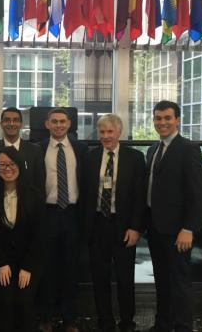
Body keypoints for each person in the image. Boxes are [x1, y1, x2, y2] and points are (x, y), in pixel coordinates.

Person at [146, 100, 202, 332]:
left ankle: (182, 326)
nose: (162, 122)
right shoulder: (153, 149)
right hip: (155, 226)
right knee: (161, 280)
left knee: (179, 281)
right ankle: (163, 323)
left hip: (178, 230)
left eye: (167, 118)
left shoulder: (188, 148)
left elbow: (197, 192)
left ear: (177, 120)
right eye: (158, 118)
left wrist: (188, 228)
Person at [83, 114, 146, 332]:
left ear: (119, 133)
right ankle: (105, 321)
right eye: (102, 132)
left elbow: (140, 197)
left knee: (125, 278)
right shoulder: (90, 158)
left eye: (110, 132)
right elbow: (85, 195)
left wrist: (136, 227)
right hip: (97, 225)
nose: (106, 136)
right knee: (99, 278)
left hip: (124, 226)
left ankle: (127, 321)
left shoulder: (135, 158)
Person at [36, 108, 88, 332]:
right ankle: (46, 315)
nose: (58, 125)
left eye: (62, 121)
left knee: (70, 267)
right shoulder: (37, 149)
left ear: (69, 124)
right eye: (54, 121)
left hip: (72, 214)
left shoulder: (82, 149)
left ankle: (69, 318)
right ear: (47, 124)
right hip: (46, 213)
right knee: (46, 266)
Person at [0, 147, 47, 332]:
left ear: (20, 166)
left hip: (29, 261)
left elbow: (40, 235)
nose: (7, 168)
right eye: (3, 164)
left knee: (24, 300)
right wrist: (1, 263)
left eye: (12, 164)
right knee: (5, 301)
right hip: (3, 262)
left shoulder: (35, 195)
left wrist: (28, 267)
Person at [0, 107, 45, 194]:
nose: (11, 123)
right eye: (7, 120)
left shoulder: (35, 151)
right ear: (1, 124)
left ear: (21, 124)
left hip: (28, 205)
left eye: (15, 120)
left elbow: (39, 183)